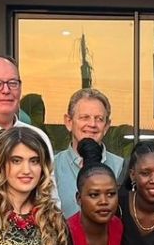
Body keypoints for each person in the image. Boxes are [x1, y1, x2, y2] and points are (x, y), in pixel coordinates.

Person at [53, 88, 124, 216]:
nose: (92, 124)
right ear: (69, 122)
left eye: (99, 119)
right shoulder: (52, 168)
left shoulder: (121, 168)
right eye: (84, 117)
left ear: (106, 126)